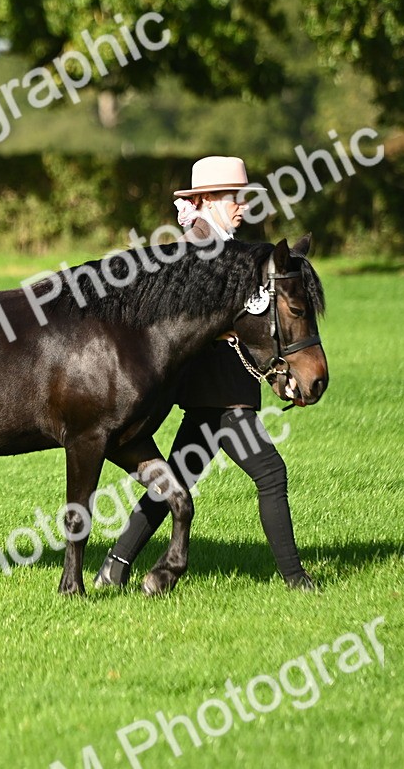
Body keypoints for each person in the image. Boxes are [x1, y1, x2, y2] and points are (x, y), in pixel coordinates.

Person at [94, 156, 317, 592]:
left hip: (220, 393)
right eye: (234, 198)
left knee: (172, 481)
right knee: (271, 474)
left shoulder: (229, 251)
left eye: (243, 198)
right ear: (206, 201)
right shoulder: (194, 250)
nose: (241, 207)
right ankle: (296, 580)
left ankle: (114, 568)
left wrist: (278, 371)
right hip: (219, 397)